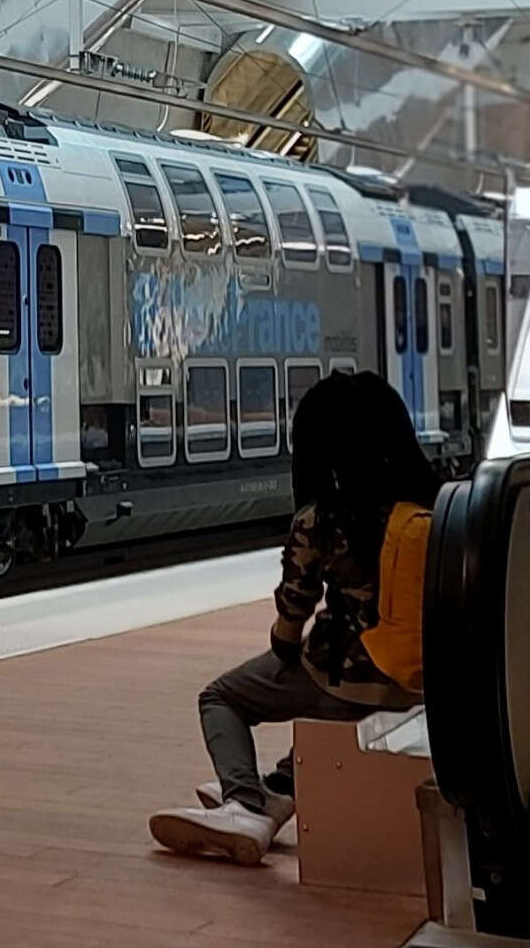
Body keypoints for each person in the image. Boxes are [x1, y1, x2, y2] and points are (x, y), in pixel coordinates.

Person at [149, 368, 434, 864]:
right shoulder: (442, 508)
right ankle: (281, 787)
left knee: (223, 696)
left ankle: (243, 804)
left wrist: (285, 642)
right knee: (317, 689)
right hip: (424, 684)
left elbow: (292, 615)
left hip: (348, 680)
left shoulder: (320, 519)